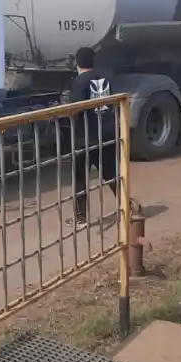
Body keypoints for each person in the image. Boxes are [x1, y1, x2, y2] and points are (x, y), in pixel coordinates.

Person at [68, 46, 138, 228]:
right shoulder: (105, 79)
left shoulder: (80, 82)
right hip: (106, 133)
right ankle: (127, 206)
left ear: (77, 62)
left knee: (81, 177)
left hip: (86, 138)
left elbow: (75, 109)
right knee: (111, 173)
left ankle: (81, 218)